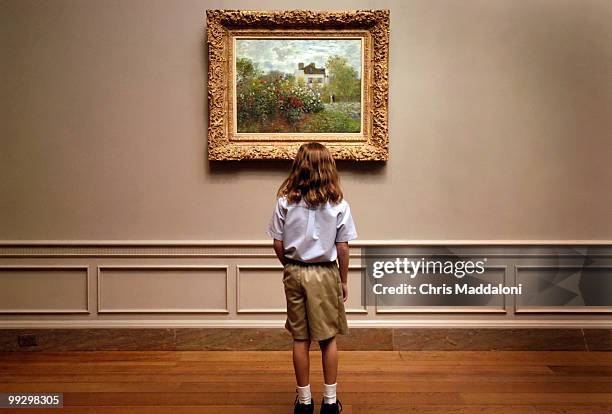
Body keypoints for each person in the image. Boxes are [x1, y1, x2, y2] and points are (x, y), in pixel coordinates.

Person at [266, 142, 357, 414]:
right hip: (325, 272)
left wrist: (291, 266)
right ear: (328, 168)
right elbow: (342, 246)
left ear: (299, 167)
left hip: (294, 270)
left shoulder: (285, 202)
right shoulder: (338, 204)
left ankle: (304, 402)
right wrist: (343, 280)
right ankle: (330, 402)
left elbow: (277, 242)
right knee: (328, 339)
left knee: (300, 338)